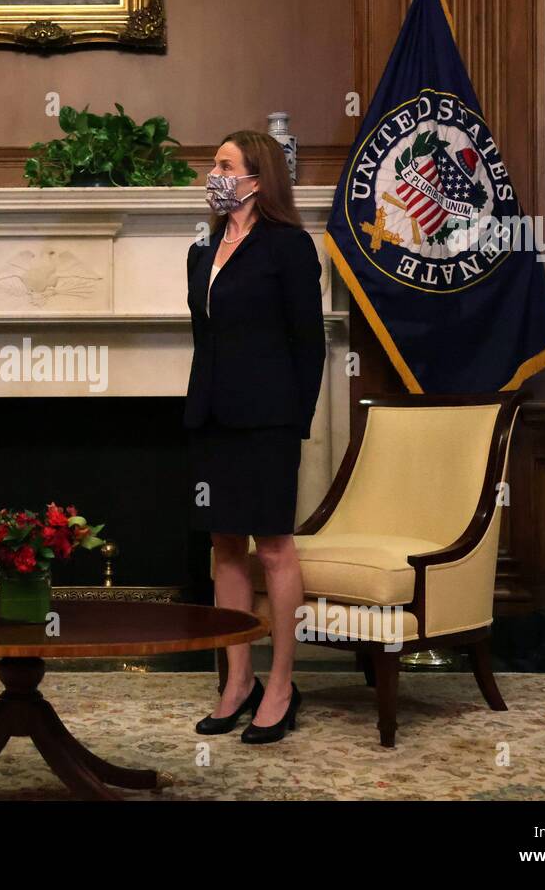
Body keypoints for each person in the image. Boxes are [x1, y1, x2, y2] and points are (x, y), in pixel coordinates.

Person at [184, 130, 325, 744]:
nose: (211, 174)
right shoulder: (202, 250)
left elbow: (310, 342)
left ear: (257, 180)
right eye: (213, 164)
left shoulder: (289, 247)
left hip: (268, 420)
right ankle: (237, 681)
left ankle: (281, 684)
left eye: (223, 165)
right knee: (223, 544)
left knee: (273, 546)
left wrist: (296, 421)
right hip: (211, 419)